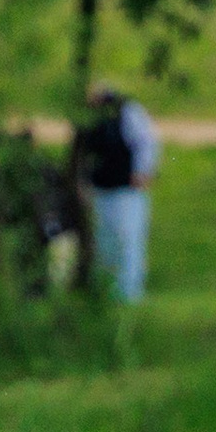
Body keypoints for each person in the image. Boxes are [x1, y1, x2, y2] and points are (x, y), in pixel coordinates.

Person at [74, 85, 162, 301]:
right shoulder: (89, 120)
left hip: (127, 190)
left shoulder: (127, 112)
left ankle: (129, 292)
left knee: (128, 237)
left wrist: (143, 171)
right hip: (101, 189)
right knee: (105, 241)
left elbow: (146, 142)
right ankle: (107, 291)